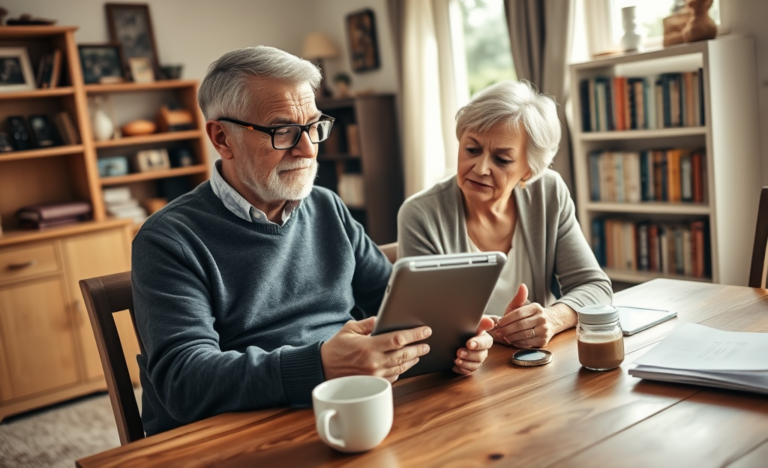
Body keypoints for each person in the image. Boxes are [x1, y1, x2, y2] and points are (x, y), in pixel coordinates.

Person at [131, 46, 494, 436]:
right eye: (283, 131)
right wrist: (320, 364)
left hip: (350, 405)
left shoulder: (325, 207)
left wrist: (450, 342)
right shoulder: (168, 239)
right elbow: (184, 381)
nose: (308, 149)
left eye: (314, 127)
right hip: (240, 432)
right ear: (223, 138)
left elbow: (396, 303)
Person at [398, 80, 612, 349]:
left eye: (502, 159)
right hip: (462, 369)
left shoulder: (548, 192)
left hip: (536, 360)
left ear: (529, 171)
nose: (481, 168)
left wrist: (553, 318)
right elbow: (424, 325)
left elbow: (594, 286)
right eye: (472, 150)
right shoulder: (420, 214)